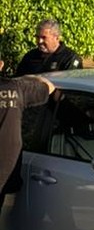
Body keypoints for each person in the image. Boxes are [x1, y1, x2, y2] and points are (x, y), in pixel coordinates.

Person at [1, 59, 56, 204]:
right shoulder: (17, 88)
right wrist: (28, 77)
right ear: (1, 65)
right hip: (5, 173)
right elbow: (49, 87)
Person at [14, 18, 83, 75]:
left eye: (44, 38)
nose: (39, 41)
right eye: (37, 37)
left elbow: (71, 85)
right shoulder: (30, 56)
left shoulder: (70, 58)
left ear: (57, 38)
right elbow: (18, 80)